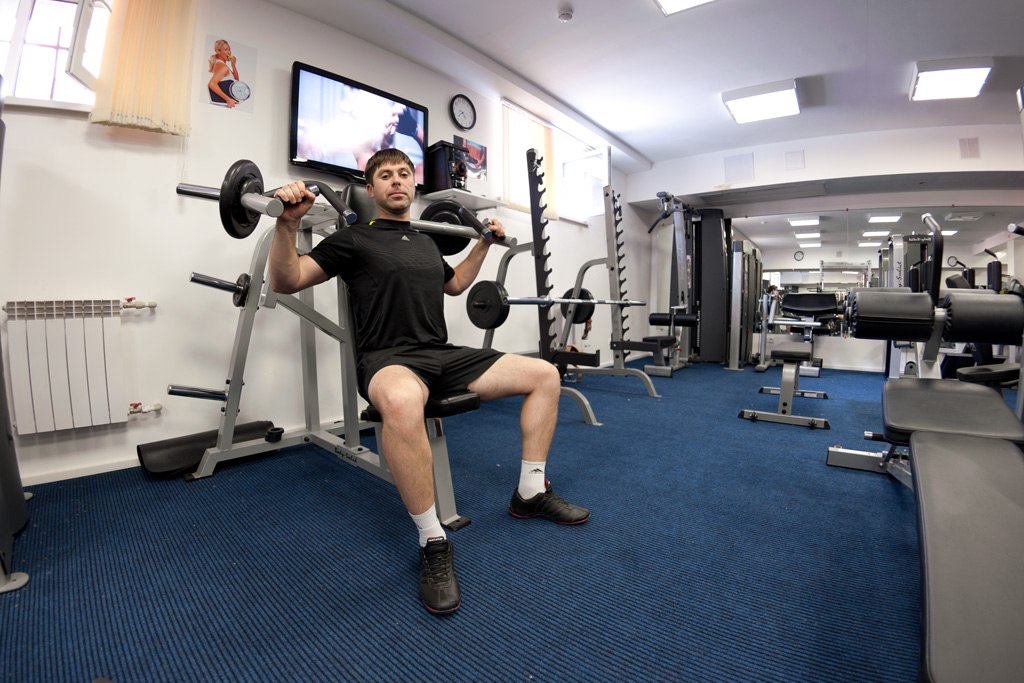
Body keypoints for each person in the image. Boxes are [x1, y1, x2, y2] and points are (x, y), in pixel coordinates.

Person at [269, 148, 589, 615]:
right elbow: (287, 279)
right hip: (388, 359)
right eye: (386, 175)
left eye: (404, 174)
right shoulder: (352, 238)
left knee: (543, 374)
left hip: (441, 354)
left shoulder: (424, 241)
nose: (397, 181)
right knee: (401, 402)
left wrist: (482, 244)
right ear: (372, 189)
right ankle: (432, 539)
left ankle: (530, 491)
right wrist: (287, 225)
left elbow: (455, 284)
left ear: (414, 187)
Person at [208, 39, 240, 108]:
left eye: (229, 49)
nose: (229, 52)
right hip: (220, 106)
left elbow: (236, 81)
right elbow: (211, 84)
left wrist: (233, 65)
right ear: (218, 51)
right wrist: (228, 99)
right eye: (226, 50)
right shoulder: (222, 66)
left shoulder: (222, 65)